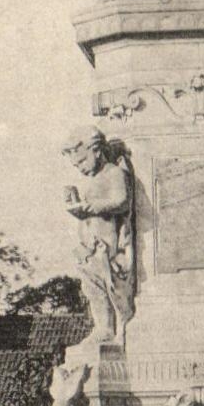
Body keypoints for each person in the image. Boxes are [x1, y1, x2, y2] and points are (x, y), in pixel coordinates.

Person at [62, 127, 135, 344]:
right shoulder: (93, 178)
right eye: (76, 165)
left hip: (108, 242)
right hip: (89, 243)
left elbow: (122, 201)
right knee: (91, 285)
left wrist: (94, 207)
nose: (81, 168)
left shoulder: (114, 173)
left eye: (83, 161)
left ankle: (116, 325)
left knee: (108, 283)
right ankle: (103, 326)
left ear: (96, 150)